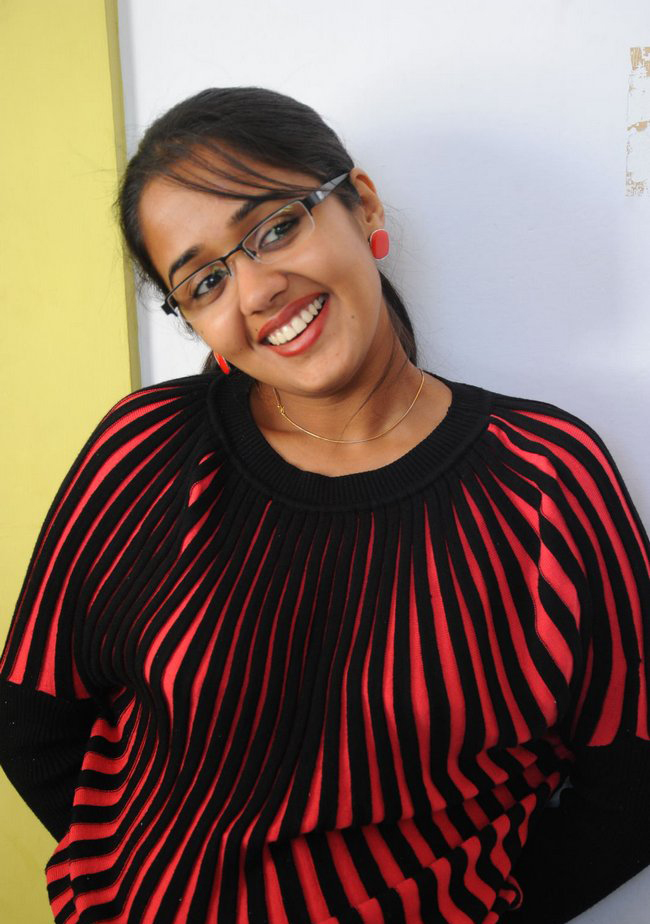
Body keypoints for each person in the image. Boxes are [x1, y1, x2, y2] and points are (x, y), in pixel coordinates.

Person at [0, 86, 648, 924]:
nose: (256, 291)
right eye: (205, 281)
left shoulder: (545, 480)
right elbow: (33, 719)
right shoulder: (143, 451)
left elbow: (633, 782)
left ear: (362, 203)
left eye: (275, 227)